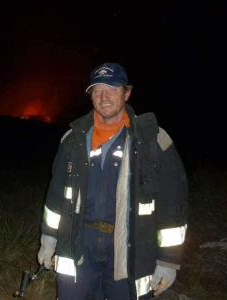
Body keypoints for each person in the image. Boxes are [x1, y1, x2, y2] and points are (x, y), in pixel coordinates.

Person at [37, 62, 188, 299]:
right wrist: (49, 236)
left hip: (131, 247)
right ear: (91, 97)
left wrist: (168, 261)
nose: (104, 97)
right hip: (78, 243)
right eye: (97, 90)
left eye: (112, 89)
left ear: (126, 93)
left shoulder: (153, 140)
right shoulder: (73, 138)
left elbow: (173, 206)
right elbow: (56, 195)